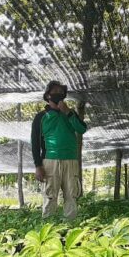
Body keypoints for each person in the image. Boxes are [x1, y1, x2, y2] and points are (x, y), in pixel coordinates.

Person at [31, 81, 88, 220]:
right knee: (50, 196)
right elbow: (35, 142)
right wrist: (38, 166)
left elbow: (82, 128)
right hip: (50, 161)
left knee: (71, 195)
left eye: (61, 92)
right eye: (54, 92)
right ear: (48, 96)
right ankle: (48, 229)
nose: (58, 94)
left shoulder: (70, 114)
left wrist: (68, 112)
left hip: (70, 160)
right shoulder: (41, 117)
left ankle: (71, 228)